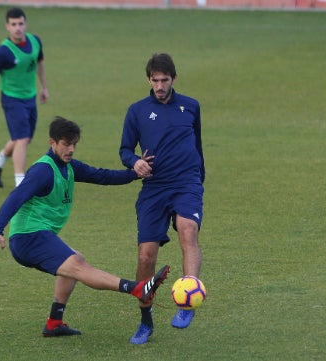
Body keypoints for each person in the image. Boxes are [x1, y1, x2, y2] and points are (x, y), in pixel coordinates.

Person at [0, 116, 170, 337]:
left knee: (73, 263)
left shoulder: (70, 166)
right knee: (79, 266)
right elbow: (15, 198)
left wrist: (134, 173)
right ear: (52, 142)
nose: (71, 149)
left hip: (38, 235)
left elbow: (101, 176)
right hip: (28, 237)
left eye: (74, 144)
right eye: (66, 144)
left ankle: (54, 323)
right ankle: (137, 289)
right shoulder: (43, 171)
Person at [119, 53, 205, 344]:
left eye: (164, 80)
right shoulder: (137, 111)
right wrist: (134, 163)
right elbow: (124, 150)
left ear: (174, 79)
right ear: (148, 80)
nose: (159, 85)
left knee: (188, 230)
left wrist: (198, 181)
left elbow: (198, 146)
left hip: (186, 184)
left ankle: (187, 302)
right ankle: (145, 321)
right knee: (146, 256)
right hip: (154, 188)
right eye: (154, 80)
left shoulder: (191, 107)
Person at [0, 7, 49, 187]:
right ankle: (21, 184)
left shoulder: (35, 42)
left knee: (22, 139)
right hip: (12, 99)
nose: (17, 28)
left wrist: (44, 87)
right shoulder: (2, 52)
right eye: (13, 24)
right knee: (23, 139)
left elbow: (39, 64)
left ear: (26, 24)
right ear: (7, 27)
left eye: (20, 23)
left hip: (30, 97)